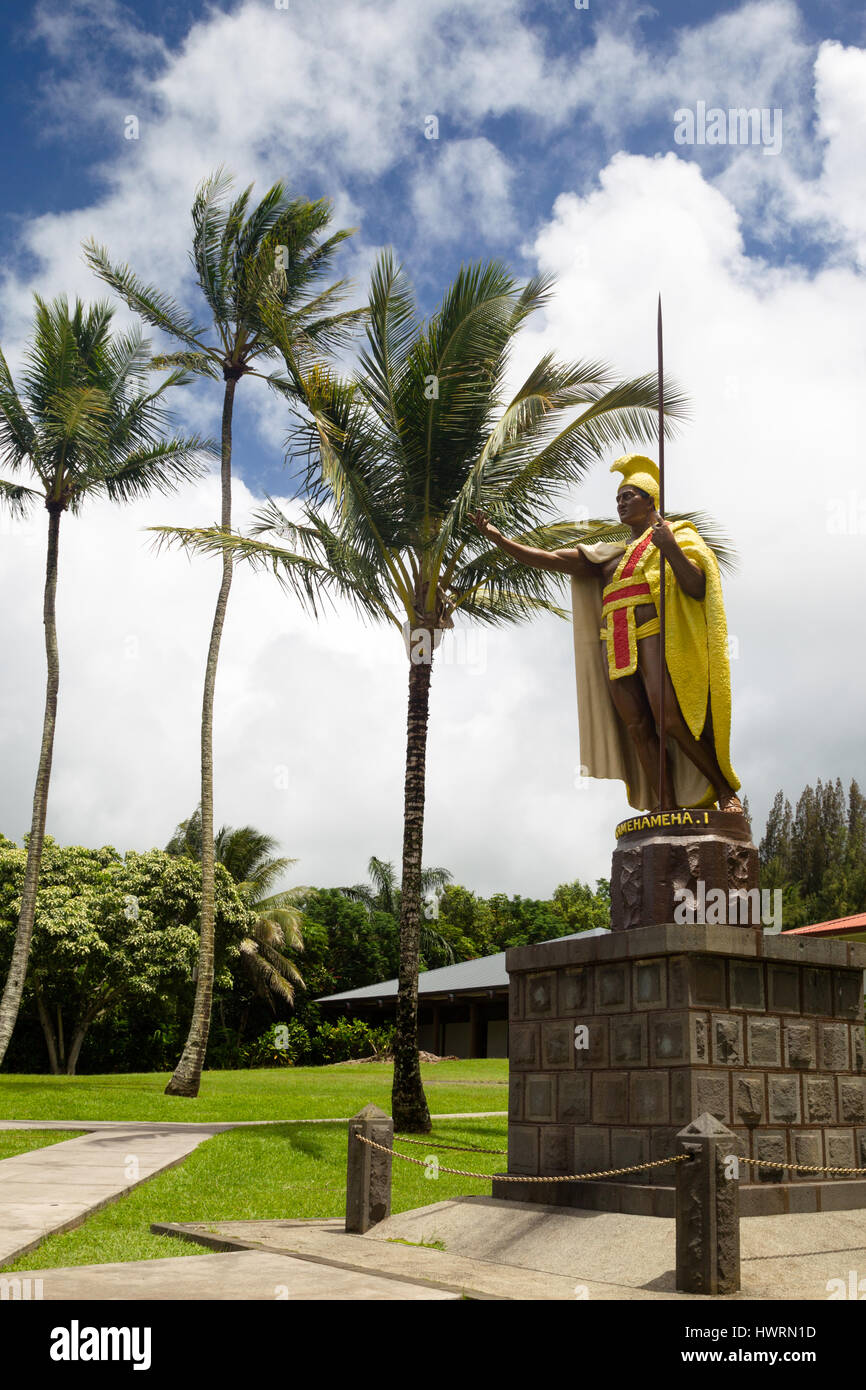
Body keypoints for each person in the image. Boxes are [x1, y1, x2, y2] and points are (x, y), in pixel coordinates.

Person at [471, 453, 742, 813]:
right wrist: (498, 539)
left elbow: (696, 587)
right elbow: (547, 559)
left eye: (629, 496)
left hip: (652, 634)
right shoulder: (606, 558)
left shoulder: (675, 537)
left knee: (670, 719)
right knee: (638, 727)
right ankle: (666, 807)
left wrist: (670, 548)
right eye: (618, 498)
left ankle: (725, 791)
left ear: (651, 501)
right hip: (614, 643)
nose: (621, 503)